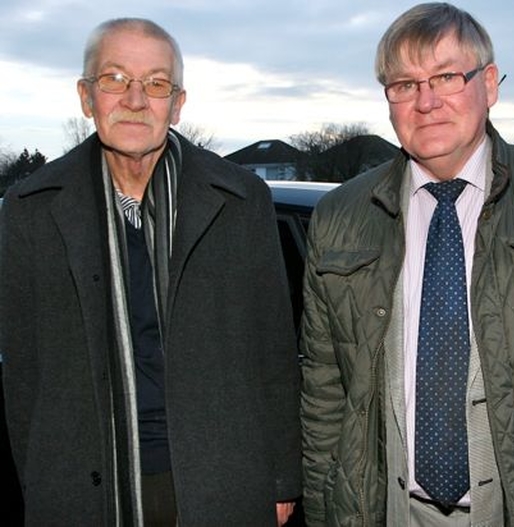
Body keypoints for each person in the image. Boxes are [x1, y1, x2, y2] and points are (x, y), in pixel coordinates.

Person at [299, 3, 514, 526]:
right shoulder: (339, 217)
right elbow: (325, 394)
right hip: (388, 510)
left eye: (446, 77)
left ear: (490, 84)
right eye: (405, 85)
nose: (427, 101)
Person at [0, 18, 301, 526]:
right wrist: (41, 480)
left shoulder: (241, 201)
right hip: (80, 489)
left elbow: (273, 352)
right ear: (85, 95)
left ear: (177, 102)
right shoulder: (30, 210)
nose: (136, 99)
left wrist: (280, 479)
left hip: (221, 483)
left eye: (156, 83)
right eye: (115, 78)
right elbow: (24, 373)